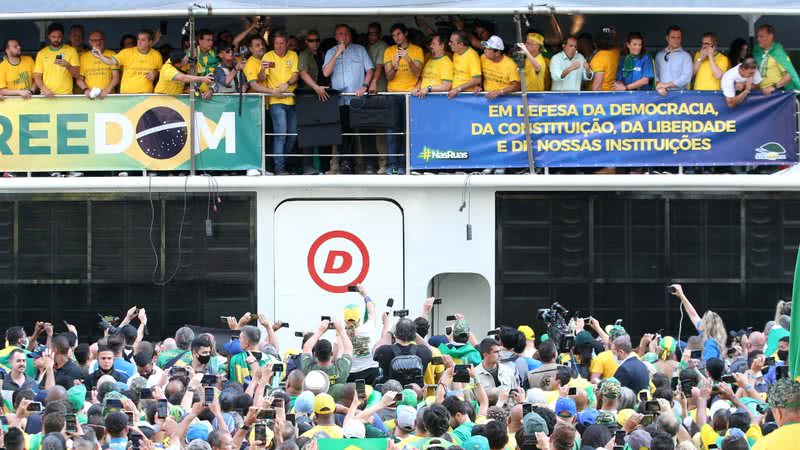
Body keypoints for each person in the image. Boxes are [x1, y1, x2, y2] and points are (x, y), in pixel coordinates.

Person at [322, 24, 374, 175]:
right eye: (340, 34)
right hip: (340, 100)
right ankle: (346, 164)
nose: (343, 36)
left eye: (345, 33)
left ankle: (369, 164)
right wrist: (337, 54)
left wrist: (364, 86)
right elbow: (326, 73)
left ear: (350, 36)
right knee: (344, 133)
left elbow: (370, 69)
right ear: (336, 37)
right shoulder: (331, 52)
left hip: (358, 98)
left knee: (365, 132)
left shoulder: (360, 49)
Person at [383, 23, 423, 174]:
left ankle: (404, 164)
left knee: (408, 131)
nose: (396, 38)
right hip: (393, 94)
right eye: (393, 35)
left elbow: (418, 73)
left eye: (398, 34)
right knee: (392, 131)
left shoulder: (417, 50)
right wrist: (395, 64)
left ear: (405, 33)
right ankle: (392, 165)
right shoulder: (389, 51)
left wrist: (408, 59)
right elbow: (389, 76)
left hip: (410, 95)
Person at [263, 31, 299, 175]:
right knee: (281, 135)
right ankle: (279, 168)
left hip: (291, 100)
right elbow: (261, 77)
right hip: (275, 101)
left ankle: (280, 163)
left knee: (293, 135)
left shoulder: (293, 55)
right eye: (276, 43)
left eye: (281, 43)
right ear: (273, 44)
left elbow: (295, 75)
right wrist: (262, 69)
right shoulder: (268, 56)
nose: (278, 46)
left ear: (287, 44)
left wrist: (287, 83)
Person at [670, 284, 727, 360]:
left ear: (707, 326)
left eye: (703, 319)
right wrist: (681, 295)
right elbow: (693, 315)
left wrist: (689, 363)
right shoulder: (708, 337)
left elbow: (708, 367)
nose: (700, 320)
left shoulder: (710, 344)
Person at [96, 30, 162, 93]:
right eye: (138, 39)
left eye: (143, 40)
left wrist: (155, 73)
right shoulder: (126, 53)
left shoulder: (157, 55)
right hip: (127, 94)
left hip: (145, 96)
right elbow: (110, 61)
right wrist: (100, 56)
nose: (139, 42)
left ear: (150, 42)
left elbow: (161, 73)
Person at [373, 318, 432, 384]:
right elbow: (430, 350)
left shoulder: (384, 351)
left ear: (395, 333)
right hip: (415, 392)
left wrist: (390, 333)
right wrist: (413, 332)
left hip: (391, 392)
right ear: (414, 334)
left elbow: (374, 350)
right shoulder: (423, 351)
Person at [34, 23, 82, 97]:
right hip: (46, 95)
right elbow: (37, 76)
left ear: (62, 36)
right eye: (53, 37)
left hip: (65, 95)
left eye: (59, 37)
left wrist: (67, 65)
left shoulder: (71, 51)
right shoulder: (41, 53)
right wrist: (44, 89)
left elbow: (77, 75)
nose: (56, 39)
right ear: (49, 37)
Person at [300, 319, 353, 385]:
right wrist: (341, 331)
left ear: (315, 354)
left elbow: (307, 347)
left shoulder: (309, 370)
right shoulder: (341, 370)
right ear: (332, 354)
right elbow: (348, 349)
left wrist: (320, 331)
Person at [753, 24, 800, 92]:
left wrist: (774, 87)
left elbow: (789, 75)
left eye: (761, 36)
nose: (758, 39)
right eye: (758, 36)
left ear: (770, 37)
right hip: (761, 92)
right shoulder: (757, 51)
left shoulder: (778, 53)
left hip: (776, 95)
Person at [411, 33, 453, 99]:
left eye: (433, 44)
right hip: (423, 99)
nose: (430, 46)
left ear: (442, 46)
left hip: (436, 100)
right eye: (430, 44)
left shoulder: (446, 62)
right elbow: (422, 79)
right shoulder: (430, 60)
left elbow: (446, 86)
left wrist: (428, 88)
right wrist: (417, 87)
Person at [654, 25, 692, 96]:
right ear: (667, 38)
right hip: (661, 94)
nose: (676, 40)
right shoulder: (659, 55)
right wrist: (659, 86)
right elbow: (656, 75)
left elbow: (686, 77)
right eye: (673, 37)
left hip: (680, 95)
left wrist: (666, 85)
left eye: (678, 37)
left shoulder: (686, 56)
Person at [480, 36, 520, 100]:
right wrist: (478, 86)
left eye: (488, 49)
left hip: (505, 99)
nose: (485, 51)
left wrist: (499, 92)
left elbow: (517, 86)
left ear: (497, 53)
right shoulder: (483, 58)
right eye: (485, 48)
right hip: (487, 97)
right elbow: (479, 75)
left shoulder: (510, 65)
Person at [80, 31, 119, 98]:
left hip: (109, 96)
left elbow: (116, 78)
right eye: (95, 40)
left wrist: (106, 91)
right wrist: (86, 90)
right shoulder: (83, 57)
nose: (98, 42)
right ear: (90, 42)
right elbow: (79, 79)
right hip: (90, 97)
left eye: (100, 40)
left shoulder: (112, 54)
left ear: (104, 40)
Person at [447, 30, 482, 98]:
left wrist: (458, 89)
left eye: (451, 42)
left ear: (461, 44)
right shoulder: (455, 53)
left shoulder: (472, 56)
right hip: (454, 94)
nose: (449, 44)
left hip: (466, 96)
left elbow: (477, 79)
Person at [298, 29, 329, 101]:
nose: (314, 43)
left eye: (317, 40)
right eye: (311, 41)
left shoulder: (322, 54)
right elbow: (303, 73)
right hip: (310, 93)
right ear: (306, 42)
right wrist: (316, 87)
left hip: (324, 91)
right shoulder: (304, 55)